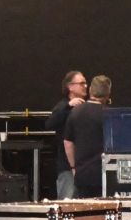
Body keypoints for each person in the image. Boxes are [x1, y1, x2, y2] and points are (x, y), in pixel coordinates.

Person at [64, 73, 111, 198]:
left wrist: (73, 167)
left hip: (82, 174)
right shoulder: (109, 115)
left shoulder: (75, 112)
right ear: (108, 94)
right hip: (105, 174)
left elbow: (67, 142)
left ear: (90, 90)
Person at [47, 69, 88, 199]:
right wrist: (68, 106)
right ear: (70, 86)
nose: (85, 86)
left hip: (84, 165)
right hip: (67, 167)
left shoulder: (86, 107)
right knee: (67, 200)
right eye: (81, 83)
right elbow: (50, 123)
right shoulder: (63, 106)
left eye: (85, 83)